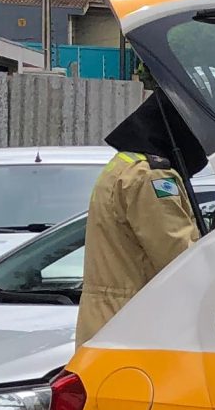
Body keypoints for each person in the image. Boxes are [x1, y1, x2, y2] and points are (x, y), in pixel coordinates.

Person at [77, 89, 205, 342]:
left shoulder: (127, 165)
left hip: (114, 319)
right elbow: (180, 258)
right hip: (135, 325)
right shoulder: (151, 176)